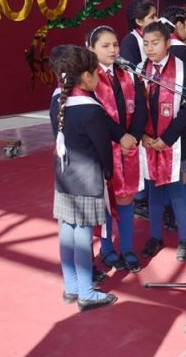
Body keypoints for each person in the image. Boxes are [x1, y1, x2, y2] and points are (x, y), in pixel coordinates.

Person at [49, 45, 118, 311]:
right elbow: (103, 148)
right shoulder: (91, 109)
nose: (99, 77)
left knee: (67, 230)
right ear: (86, 77)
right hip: (88, 179)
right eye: (96, 72)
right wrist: (109, 173)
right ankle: (87, 292)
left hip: (65, 176)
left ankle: (71, 286)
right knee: (84, 235)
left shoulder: (58, 99)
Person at [86, 26, 147, 274]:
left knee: (126, 197)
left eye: (115, 45)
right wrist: (119, 135)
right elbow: (96, 113)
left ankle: (128, 249)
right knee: (105, 200)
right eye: (105, 45)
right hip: (104, 147)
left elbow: (141, 107)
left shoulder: (128, 73)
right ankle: (108, 248)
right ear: (91, 49)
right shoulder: (88, 77)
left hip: (129, 145)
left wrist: (133, 135)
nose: (112, 50)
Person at [138, 21, 186, 262]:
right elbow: (136, 108)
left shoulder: (183, 68)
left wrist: (167, 139)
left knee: (177, 190)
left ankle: (185, 239)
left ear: (167, 43)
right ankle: (155, 236)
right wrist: (144, 135)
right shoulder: (139, 69)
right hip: (148, 141)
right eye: (146, 43)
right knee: (154, 191)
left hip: (174, 140)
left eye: (155, 43)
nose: (150, 48)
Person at [119, 0, 157, 220]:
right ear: (138, 21)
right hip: (139, 103)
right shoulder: (130, 42)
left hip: (152, 101)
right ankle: (141, 199)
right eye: (151, 17)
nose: (156, 20)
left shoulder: (152, 38)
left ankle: (151, 196)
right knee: (141, 152)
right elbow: (133, 77)